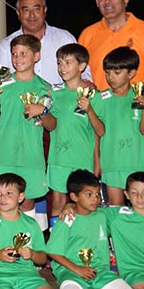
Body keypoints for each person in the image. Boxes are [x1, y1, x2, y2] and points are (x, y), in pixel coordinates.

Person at [78, 0, 144, 149]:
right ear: (96, 1)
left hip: (136, 120)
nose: (107, 1)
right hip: (98, 120)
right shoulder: (87, 35)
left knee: (134, 173)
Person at [0, 34, 55, 228]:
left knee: (27, 202)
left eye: (24, 53)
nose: (18, 58)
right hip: (3, 154)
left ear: (37, 56)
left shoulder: (46, 88)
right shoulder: (0, 85)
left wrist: (42, 112)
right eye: (14, 54)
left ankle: (29, 250)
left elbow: (52, 126)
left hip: (30, 156)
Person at [47, 43, 103, 220]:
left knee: (83, 203)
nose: (62, 68)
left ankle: (82, 244)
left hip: (82, 159)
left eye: (67, 63)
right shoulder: (53, 92)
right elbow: (50, 124)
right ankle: (57, 243)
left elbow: (100, 131)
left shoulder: (93, 95)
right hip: (58, 157)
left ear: (82, 65)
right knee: (57, 200)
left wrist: (90, 110)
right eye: (59, 63)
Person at [93, 47, 144, 206]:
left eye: (117, 73)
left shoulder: (141, 96)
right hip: (112, 162)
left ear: (131, 73)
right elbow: (97, 132)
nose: (110, 77)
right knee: (115, 208)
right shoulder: (101, 99)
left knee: (141, 207)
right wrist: (97, 162)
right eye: (107, 72)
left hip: (138, 161)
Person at [0, 0, 85, 86]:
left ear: (45, 11)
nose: (31, 15)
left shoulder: (64, 39)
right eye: (26, 10)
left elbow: (83, 74)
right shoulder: (6, 45)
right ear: (18, 14)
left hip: (60, 99)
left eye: (36, 9)